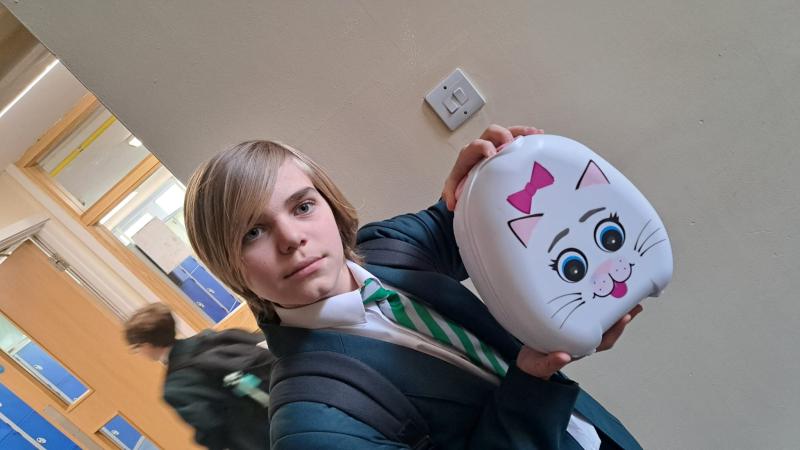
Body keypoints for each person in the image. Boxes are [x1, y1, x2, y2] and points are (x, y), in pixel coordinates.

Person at [184, 125, 644, 449]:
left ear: (329, 206)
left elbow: (467, 222)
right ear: (230, 267)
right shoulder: (309, 423)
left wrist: (479, 179)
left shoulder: (387, 246)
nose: (291, 238)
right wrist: (532, 381)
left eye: (302, 206)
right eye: (253, 233)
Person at [124, 302, 273, 450]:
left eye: (136, 348)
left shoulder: (176, 387)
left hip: (267, 439)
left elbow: (211, 429)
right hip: (282, 397)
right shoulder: (212, 337)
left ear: (146, 345)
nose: (139, 353)